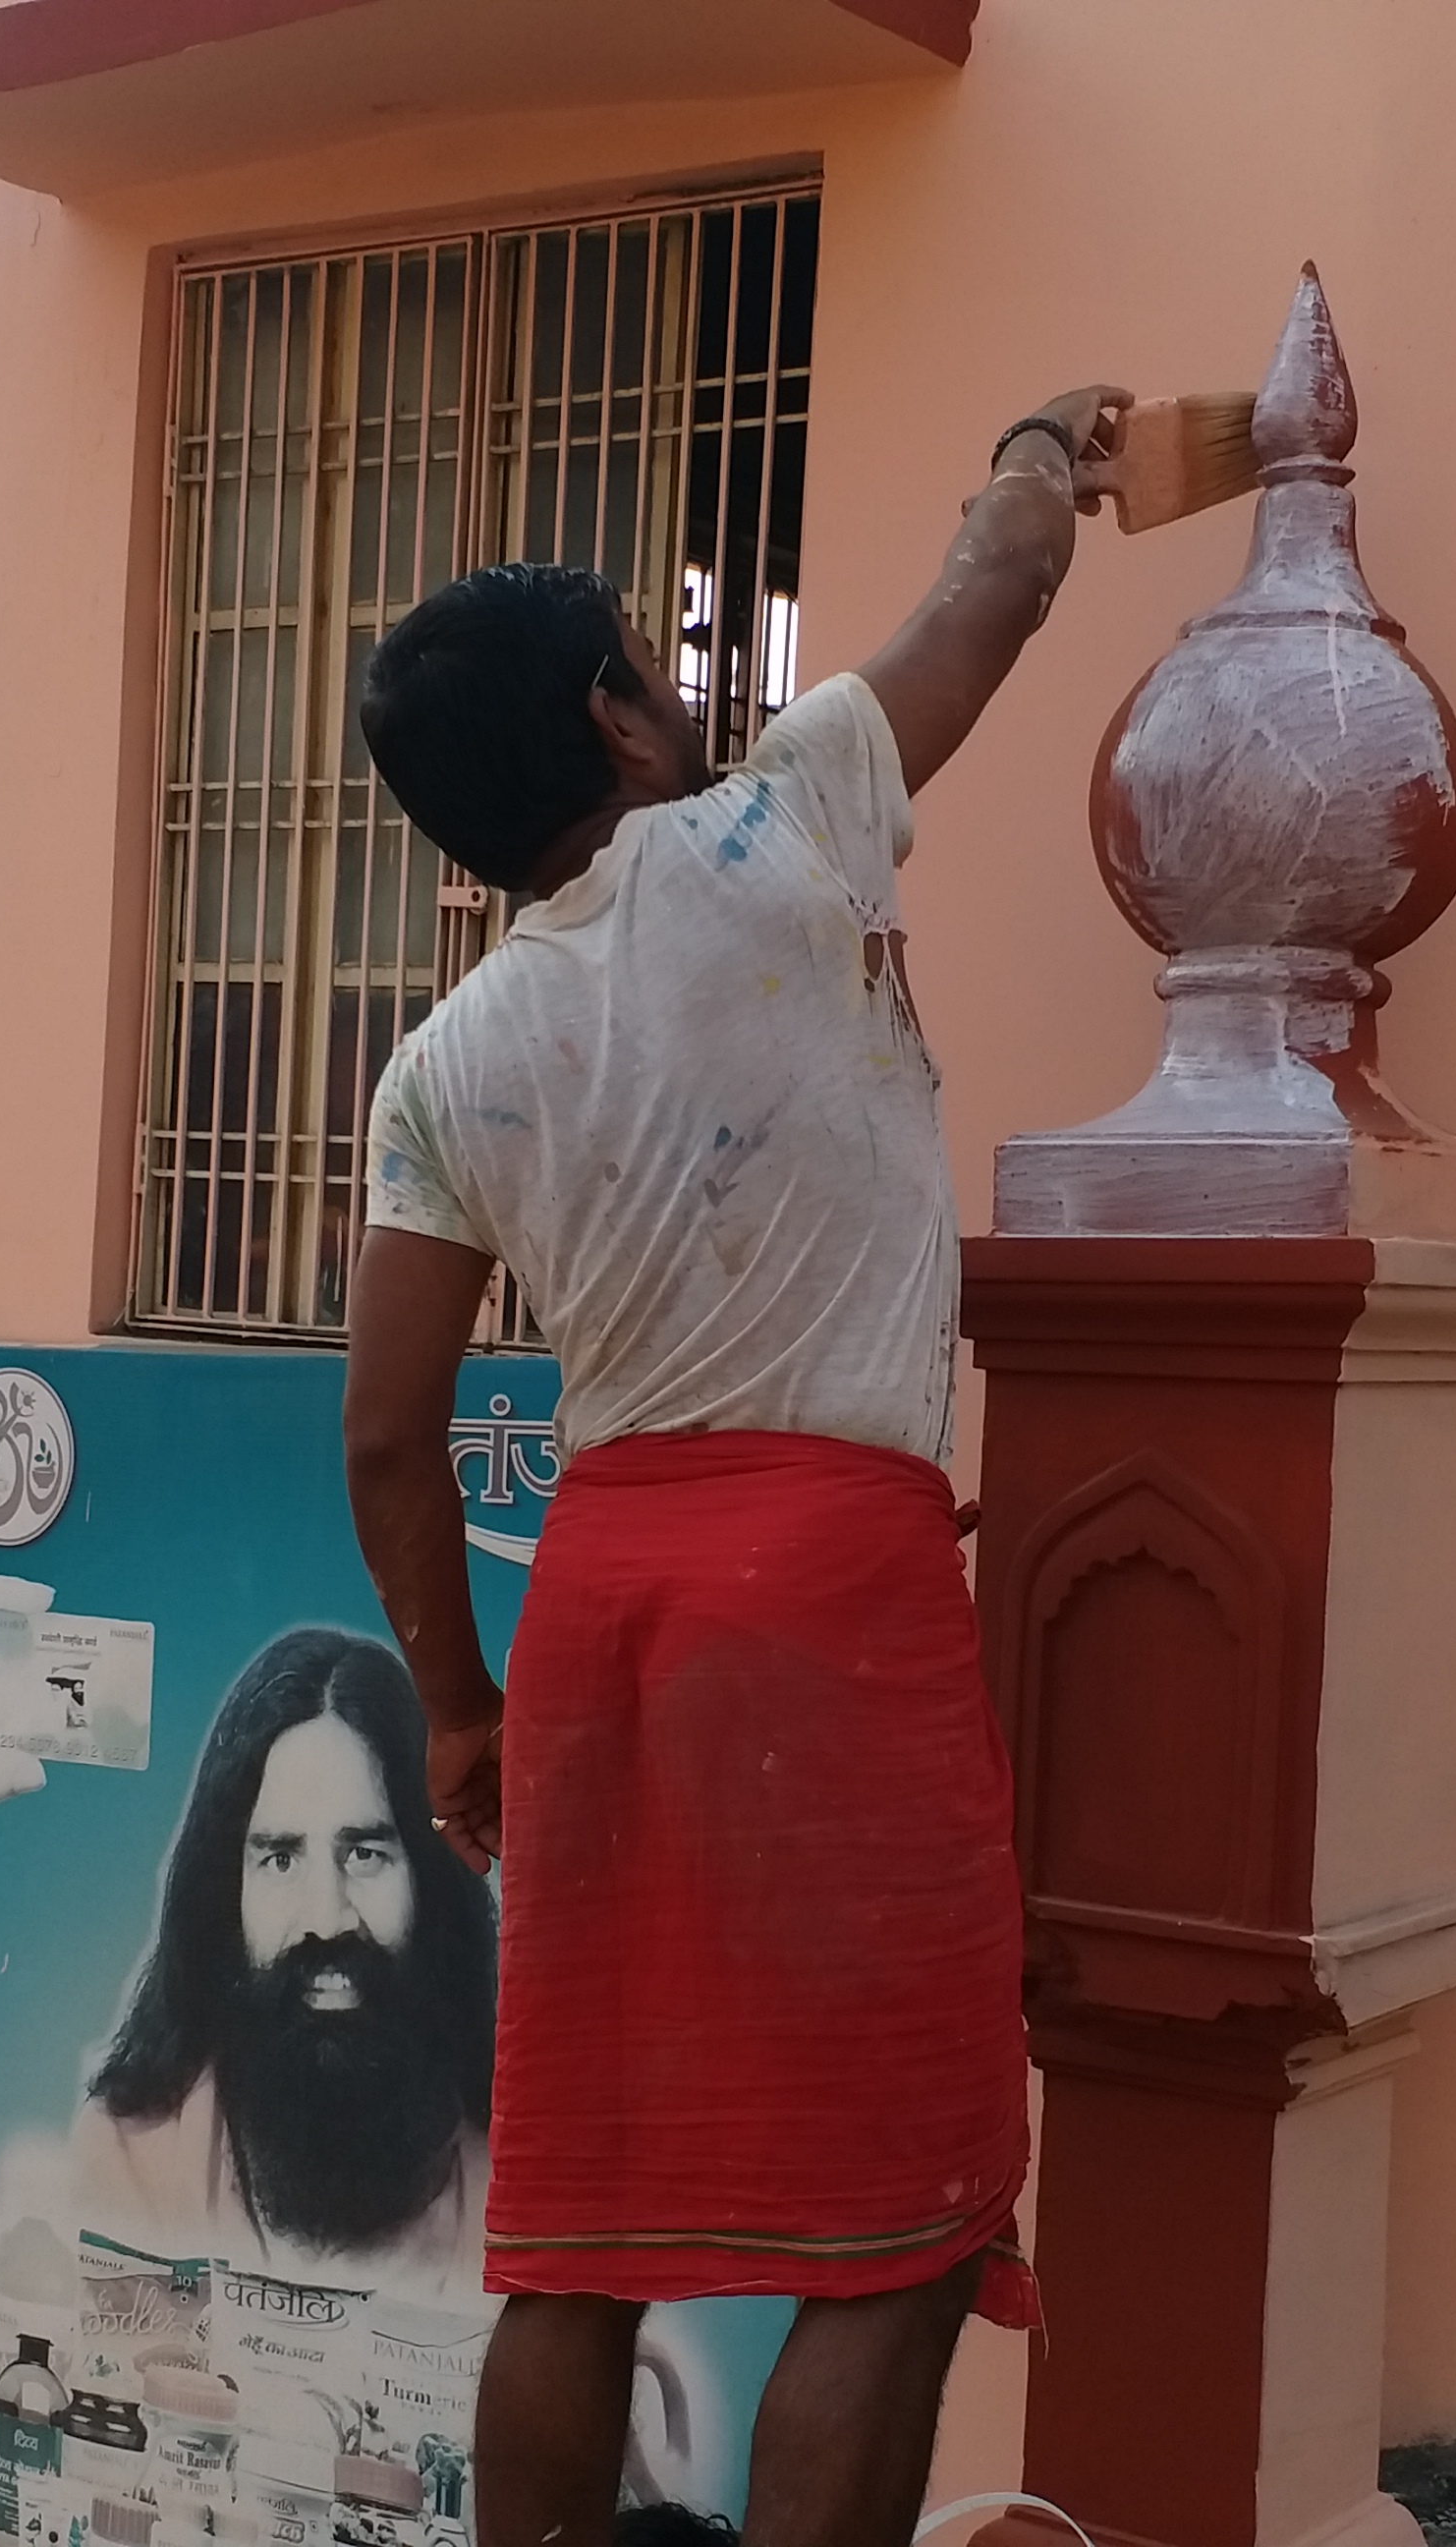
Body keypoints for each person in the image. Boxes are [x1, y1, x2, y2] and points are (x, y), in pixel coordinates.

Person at [338, 381, 1131, 2547]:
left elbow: (394, 1438)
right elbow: (1003, 585)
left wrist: (461, 1701)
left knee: (581, 2231)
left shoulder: (448, 1059)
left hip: (605, 1599)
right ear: (612, 722)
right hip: (831, 1585)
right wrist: (1050, 446)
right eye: (647, 664)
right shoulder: (791, 823)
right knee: (896, 2220)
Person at [76, 1625, 499, 2303]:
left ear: (431, 1882)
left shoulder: (522, 2190)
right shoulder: (127, 2161)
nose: (326, 1917)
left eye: (366, 1854)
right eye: (280, 1858)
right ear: (225, 1895)